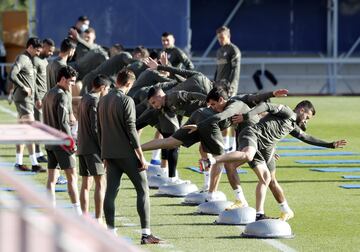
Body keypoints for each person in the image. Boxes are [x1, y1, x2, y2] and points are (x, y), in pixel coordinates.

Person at [202, 100, 347, 221]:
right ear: (302, 110)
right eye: (307, 117)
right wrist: (247, 116)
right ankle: (215, 163)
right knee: (238, 161)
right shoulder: (286, 111)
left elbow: (306, 137)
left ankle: (264, 213)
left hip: (267, 150)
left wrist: (330, 145)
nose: (306, 120)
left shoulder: (292, 126)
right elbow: (265, 105)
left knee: (268, 179)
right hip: (253, 136)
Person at [97, 69, 162, 244]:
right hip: (126, 153)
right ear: (128, 84)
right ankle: (146, 234)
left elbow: (100, 129)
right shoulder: (127, 100)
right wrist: (140, 155)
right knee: (142, 190)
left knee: (111, 192)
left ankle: (110, 232)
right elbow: (132, 130)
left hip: (109, 153)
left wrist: (103, 153)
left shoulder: (102, 100)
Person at [42, 66, 81, 214]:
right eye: (71, 82)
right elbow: (63, 122)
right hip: (61, 143)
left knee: (51, 179)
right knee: (72, 177)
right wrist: (70, 143)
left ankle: (49, 210)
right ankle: (77, 212)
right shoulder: (62, 95)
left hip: (49, 142)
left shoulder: (49, 93)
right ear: (63, 79)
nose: (72, 85)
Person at [9, 37, 45, 172]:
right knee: (30, 130)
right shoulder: (22, 58)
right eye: (37, 50)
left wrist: (36, 97)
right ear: (30, 47)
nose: (38, 53)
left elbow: (32, 81)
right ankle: (34, 164)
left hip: (28, 100)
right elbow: (12, 75)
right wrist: (23, 87)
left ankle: (18, 163)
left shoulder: (30, 60)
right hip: (23, 100)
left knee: (22, 132)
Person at [77, 74, 110, 223]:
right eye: (107, 89)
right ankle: (98, 219)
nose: (107, 92)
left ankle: (84, 217)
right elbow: (96, 128)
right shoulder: (95, 100)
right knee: (100, 182)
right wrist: (104, 150)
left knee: (85, 184)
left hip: (82, 146)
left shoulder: (84, 97)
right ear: (102, 87)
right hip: (93, 148)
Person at [214, 26, 242, 153]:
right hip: (218, 88)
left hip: (228, 89)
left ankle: (230, 145)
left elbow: (235, 71)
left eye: (222, 37)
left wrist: (230, 87)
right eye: (218, 37)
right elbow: (218, 70)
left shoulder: (233, 50)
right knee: (221, 114)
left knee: (229, 115)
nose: (220, 40)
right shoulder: (219, 51)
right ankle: (226, 144)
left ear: (228, 36)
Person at [33, 38, 55, 163]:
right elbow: (33, 81)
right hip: (38, 100)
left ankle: (40, 151)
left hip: (45, 98)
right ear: (44, 46)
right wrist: (37, 98)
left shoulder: (44, 61)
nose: (51, 53)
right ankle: (37, 153)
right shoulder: (35, 60)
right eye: (50, 50)